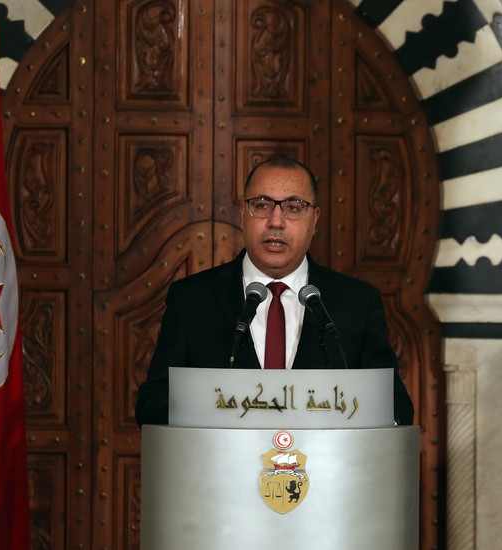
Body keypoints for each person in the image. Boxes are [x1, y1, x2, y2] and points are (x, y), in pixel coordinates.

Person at [135, 157, 413, 426]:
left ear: (314, 219)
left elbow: (394, 404)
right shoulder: (192, 300)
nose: (276, 221)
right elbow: (154, 401)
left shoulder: (357, 303)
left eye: (293, 207)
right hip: (220, 469)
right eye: (263, 205)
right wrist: (210, 416)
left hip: (325, 471)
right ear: (243, 214)